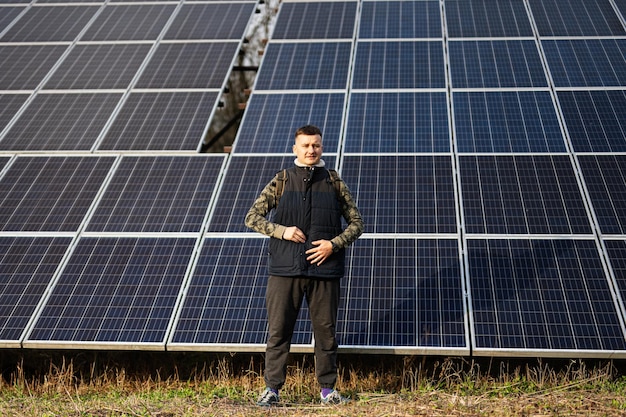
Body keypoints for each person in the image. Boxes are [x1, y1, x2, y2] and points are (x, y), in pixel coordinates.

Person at [245, 124, 364, 406]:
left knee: (326, 333)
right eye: (306, 145)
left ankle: (328, 391)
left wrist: (332, 244)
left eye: (316, 145)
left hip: (326, 271)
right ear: (295, 149)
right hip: (284, 270)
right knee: (279, 331)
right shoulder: (282, 180)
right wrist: (281, 231)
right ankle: (272, 390)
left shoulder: (334, 181)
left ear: (322, 147)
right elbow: (252, 217)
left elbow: (357, 223)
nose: (312, 150)